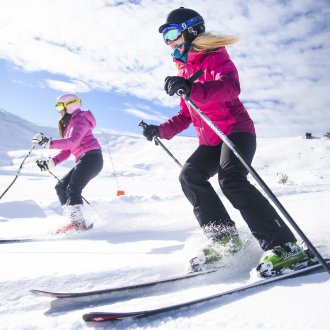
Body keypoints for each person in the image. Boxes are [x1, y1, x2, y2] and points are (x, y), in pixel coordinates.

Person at [141, 7, 308, 276]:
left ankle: (284, 245)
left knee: (231, 180)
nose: (168, 41)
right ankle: (225, 242)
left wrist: (194, 88)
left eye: (171, 33)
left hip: (236, 131)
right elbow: (187, 114)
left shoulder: (216, 57)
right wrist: (159, 130)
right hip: (210, 141)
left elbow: (231, 87)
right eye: (165, 37)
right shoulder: (184, 69)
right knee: (189, 176)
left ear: (191, 30)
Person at [32, 93, 103, 234]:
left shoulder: (79, 120)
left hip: (91, 158)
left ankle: (78, 223)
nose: (58, 110)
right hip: (86, 159)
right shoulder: (71, 124)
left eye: (59, 106)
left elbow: (72, 142)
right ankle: (73, 220)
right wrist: (51, 162)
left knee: (73, 189)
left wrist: (49, 143)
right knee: (61, 186)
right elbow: (68, 149)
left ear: (69, 106)